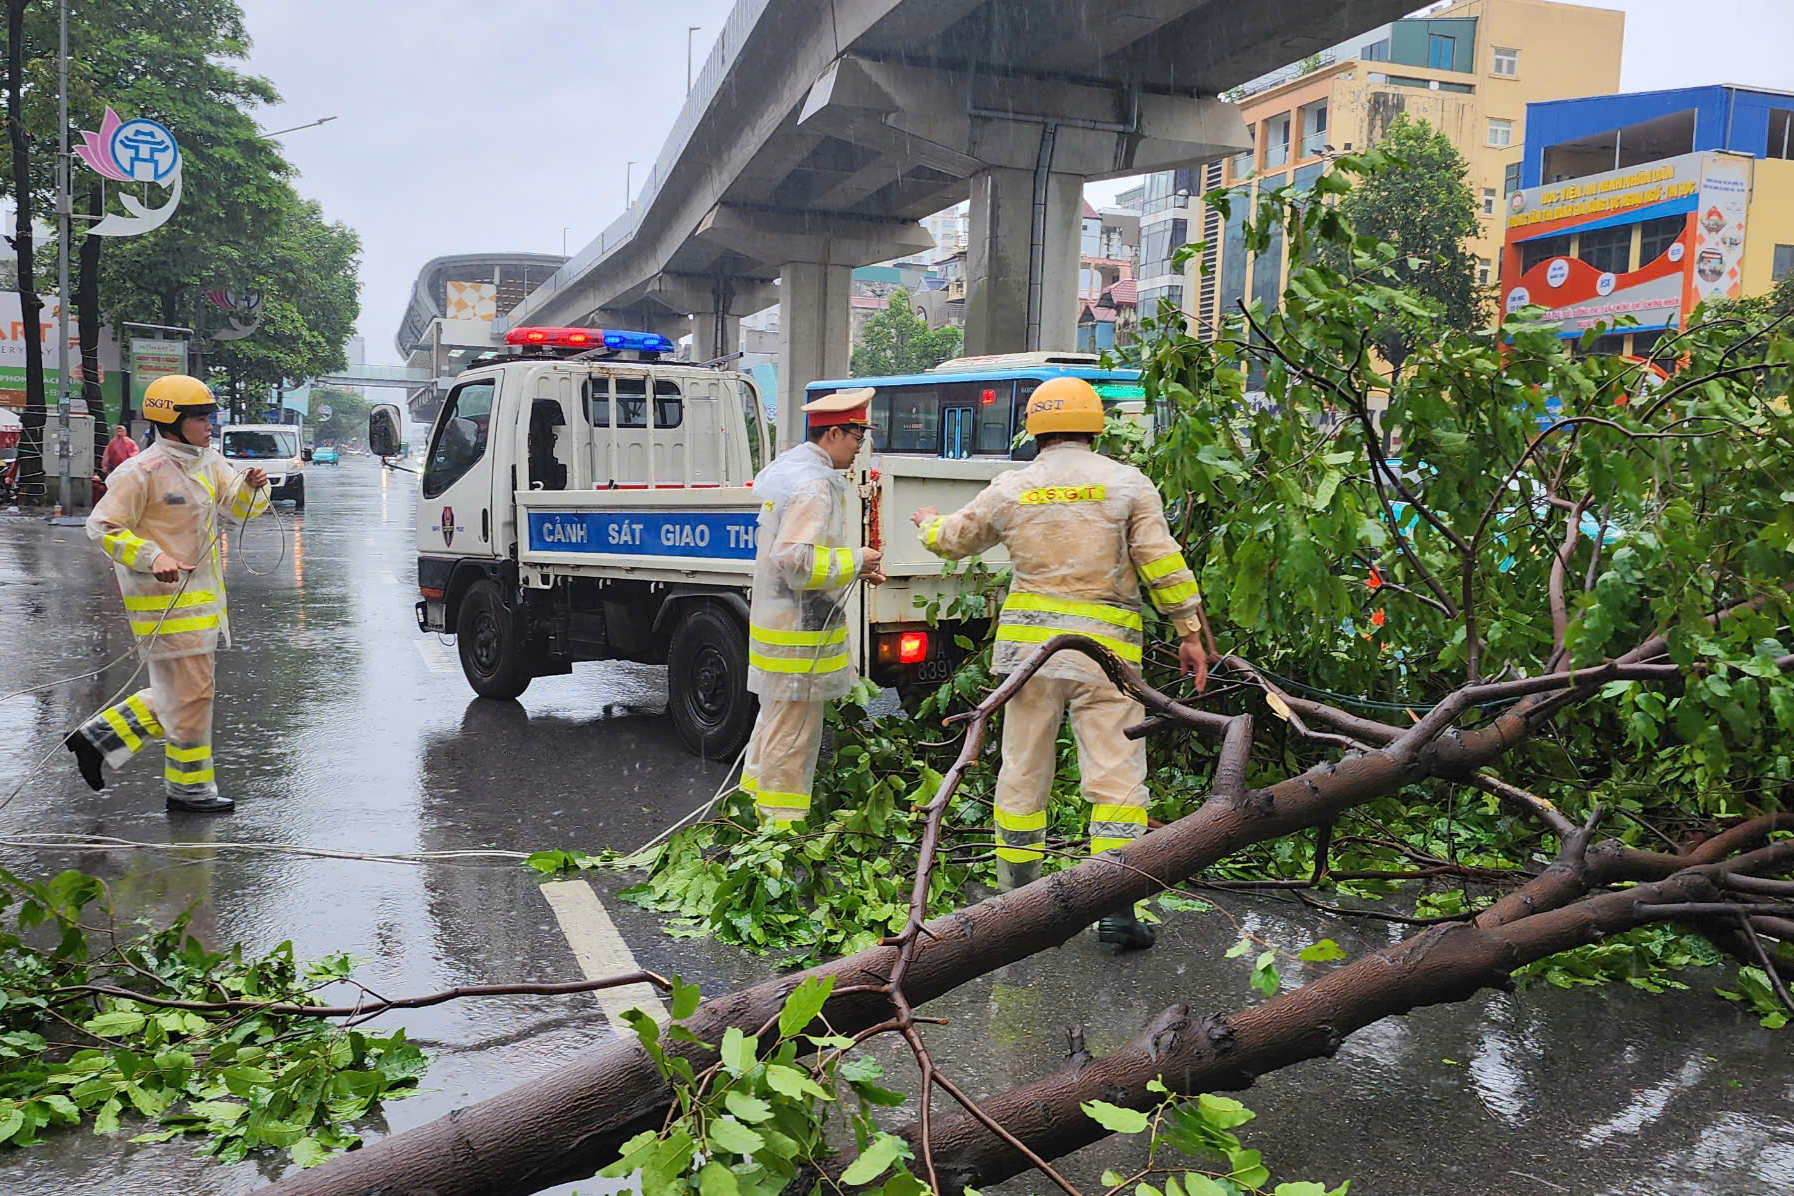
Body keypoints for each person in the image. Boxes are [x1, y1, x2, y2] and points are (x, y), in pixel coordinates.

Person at [911, 376, 1209, 950]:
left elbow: (953, 539)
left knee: (1022, 772)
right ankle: (1117, 910)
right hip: (1108, 659)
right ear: (1095, 424)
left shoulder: (1012, 487)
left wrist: (925, 521)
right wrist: (1189, 631)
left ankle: (1014, 909)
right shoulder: (1127, 484)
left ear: (1034, 428)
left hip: (1030, 660)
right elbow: (1162, 564)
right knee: (1117, 779)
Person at [64, 375, 270, 813]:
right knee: (191, 697)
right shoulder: (141, 472)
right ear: (171, 421)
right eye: (199, 417)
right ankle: (186, 789)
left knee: (188, 696)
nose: (209, 424)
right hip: (163, 606)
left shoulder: (209, 462)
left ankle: (105, 742)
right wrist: (151, 556)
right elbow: (101, 527)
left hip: (202, 605)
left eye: (209, 416)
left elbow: (240, 510)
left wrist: (252, 485)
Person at [739, 388, 886, 830]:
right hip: (797, 640)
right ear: (834, 433)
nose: (861, 444)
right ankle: (781, 833)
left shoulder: (791, 471)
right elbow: (795, 559)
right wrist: (856, 559)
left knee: (773, 725)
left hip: (779, 629)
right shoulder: (816, 485)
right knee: (793, 737)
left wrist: (853, 569)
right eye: (856, 435)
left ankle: (749, 814)